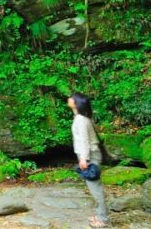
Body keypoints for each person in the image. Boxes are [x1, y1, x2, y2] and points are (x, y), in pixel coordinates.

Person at [68, 92, 109, 228]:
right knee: (94, 187)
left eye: (71, 98)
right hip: (90, 154)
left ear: (76, 102)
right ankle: (99, 214)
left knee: (95, 188)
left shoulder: (81, 119)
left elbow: (84, 141)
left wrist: (84, 159)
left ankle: (103, 219)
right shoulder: (82, 118)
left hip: (90, 155)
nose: (69, 99)